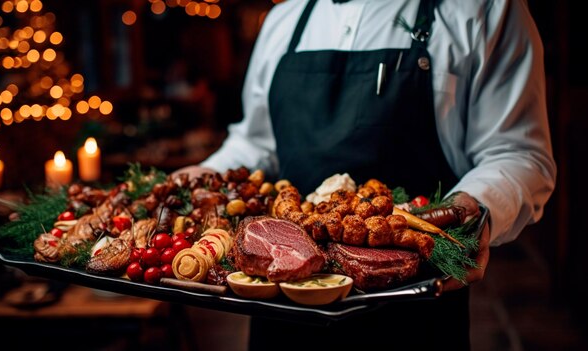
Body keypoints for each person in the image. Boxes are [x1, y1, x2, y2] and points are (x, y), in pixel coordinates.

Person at [174, 0, 556, 349]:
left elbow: (517, 152)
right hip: (284, 304)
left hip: (414, 313)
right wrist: (205, 172)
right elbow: (259, 145)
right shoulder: (284, 20)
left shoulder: (485, 9)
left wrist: (471, 207)